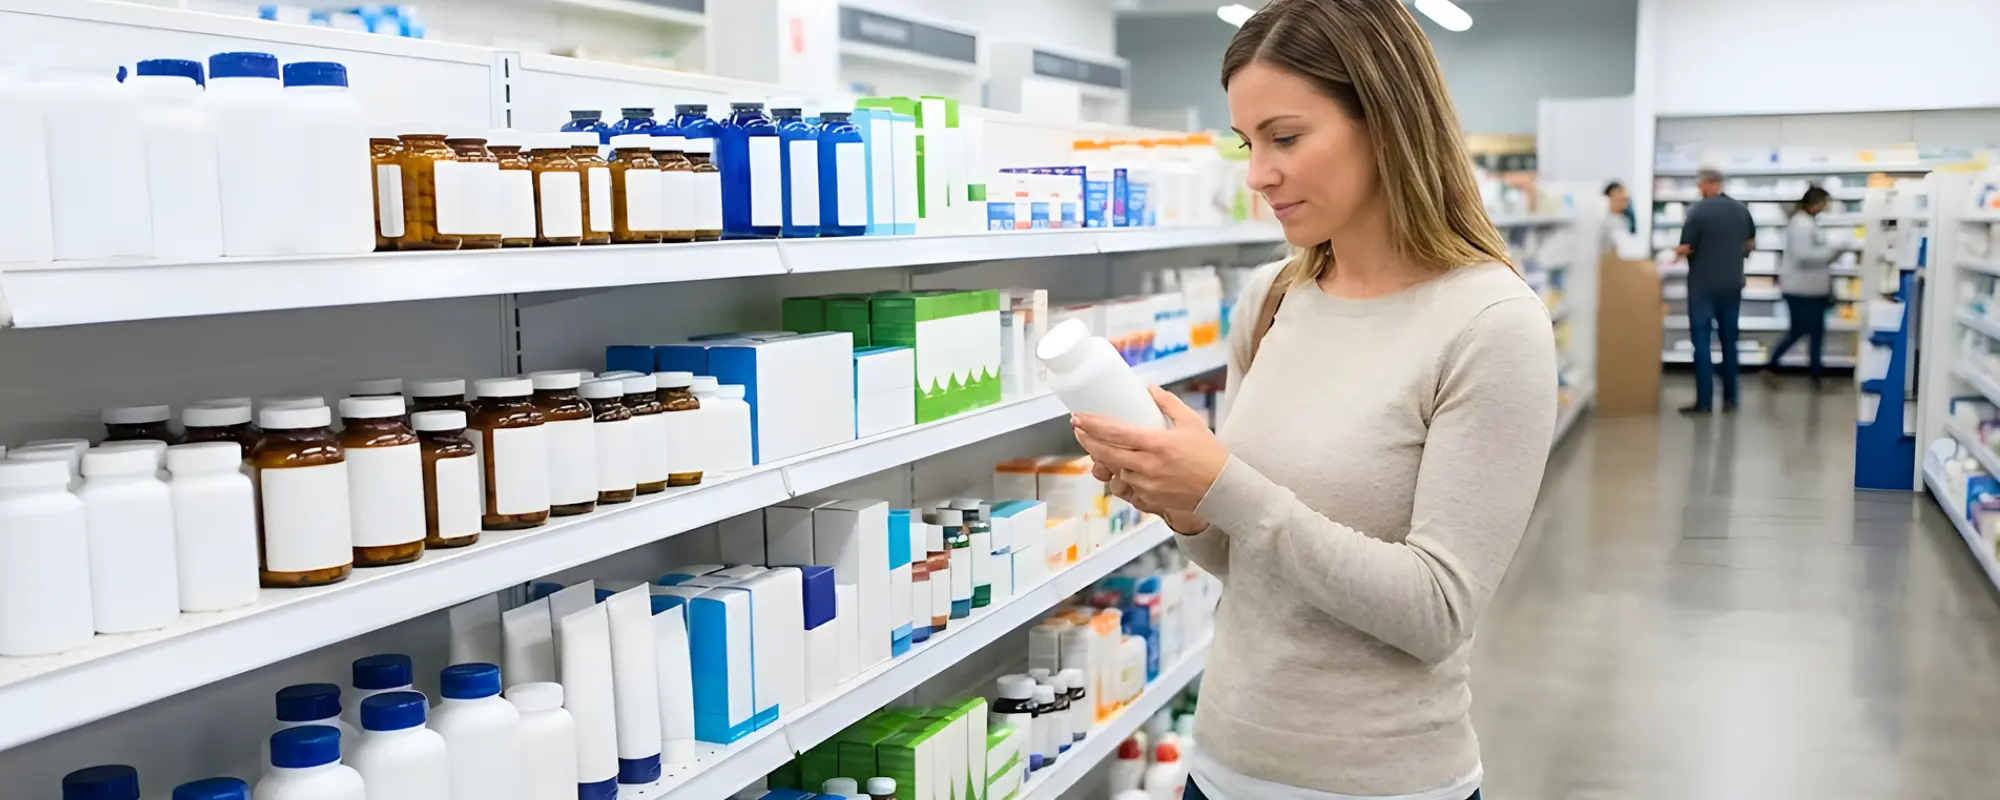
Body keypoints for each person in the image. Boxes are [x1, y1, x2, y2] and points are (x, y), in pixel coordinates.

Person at [1067, 2, 1556, 799]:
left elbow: (1437, 610)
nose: (1259, 173)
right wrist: (1182, 503)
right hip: (1221, 769)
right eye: (1247, 143)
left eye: (1285, 138)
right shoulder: (1270, 300)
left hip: (1385, 783)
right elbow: (1242, 561)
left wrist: (1225, 485)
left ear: (1388, 121)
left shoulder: (1491, 324)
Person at [1674, 167, 1757, 414]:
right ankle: (1731, 400)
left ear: (1709, 184)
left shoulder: (1697, 211)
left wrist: (1676, 254)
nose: (1699, 189)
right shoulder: (1741, 210)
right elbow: (1750, 244)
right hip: (1732, 284)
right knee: (1729, 341)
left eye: (1700, 184)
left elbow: (1686, 247)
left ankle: (1704, 402)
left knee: (1701, 342)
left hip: (1703, 286)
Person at [1763, 186, 1843, 389]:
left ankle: (1816, 375)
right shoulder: (1800, 224)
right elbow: (1803, 254)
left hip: (1813, 288)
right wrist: (1830, 254)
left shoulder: (1806, 223)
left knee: (1816, 332)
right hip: (1801, 289)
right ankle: (1771, 365)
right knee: (1800, 330)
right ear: (1815, 203)